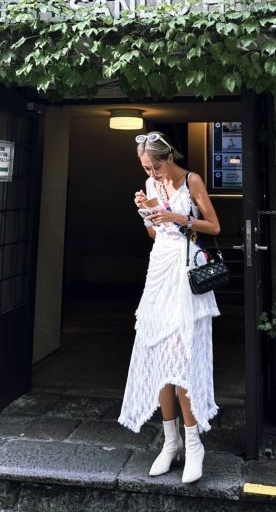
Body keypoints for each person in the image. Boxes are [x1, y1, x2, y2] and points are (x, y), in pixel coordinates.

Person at [118, 131, 221, 483]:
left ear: (169, 158)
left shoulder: (192, 181)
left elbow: (214, 226)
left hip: (186, 270)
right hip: (159, 270)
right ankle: (170, 441)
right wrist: (148, 213)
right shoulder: (151, 184)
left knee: (181, 359)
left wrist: (176, 217)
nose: (151, 173)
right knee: (158, 357)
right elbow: (154, 234)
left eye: (155, 167)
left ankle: (194, 444)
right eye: (146, 168)